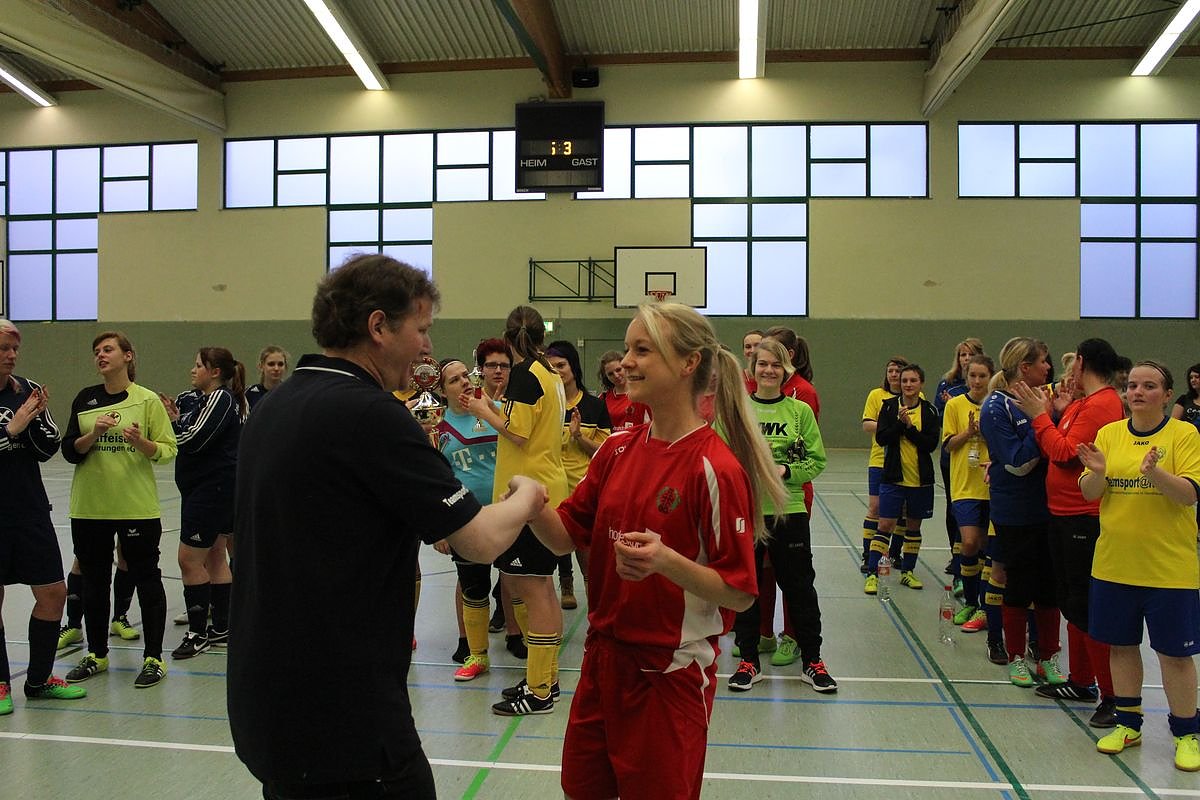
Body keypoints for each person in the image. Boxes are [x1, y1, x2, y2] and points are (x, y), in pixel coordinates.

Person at [227, 255, 546, 800]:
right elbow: (480, 540)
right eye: (420, 329)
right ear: (379, 326)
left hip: (266, 707)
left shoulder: (274, 407)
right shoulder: (371, 415)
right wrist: (527, 497)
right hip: (346, 720)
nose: (427, 346)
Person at [527, 302, 787, 800]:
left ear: (688, 363)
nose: (626, 361)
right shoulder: (616, 449)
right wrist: (530, 504)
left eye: (642, 350)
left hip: (669, 675)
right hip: (602, 661)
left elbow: (739, 593)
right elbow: (564, 537)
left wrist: (665, 562)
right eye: (628, 349)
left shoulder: (714, 467)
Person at [1078, 361, 1200, 772]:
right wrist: (1098, 473)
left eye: (1149, 386)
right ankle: (1128, 724)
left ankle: (1186, 733)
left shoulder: (1184, 435)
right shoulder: (1109, 434)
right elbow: (1091, 492)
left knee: (1175, 655)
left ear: (1166, 395)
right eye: (1132, 386)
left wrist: (1156, 474)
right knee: (1121, 646)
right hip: (1114, 565)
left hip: (1169, 569)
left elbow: (1188, 495)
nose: (1138, 392)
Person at [1012, 338, 1125, 727]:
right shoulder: (1080, 404)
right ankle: (1081, 680)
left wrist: (1039, 417)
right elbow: (1057, 443)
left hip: (1083, 517)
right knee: (1072, 603)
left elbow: (1063, 453)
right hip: (1062, 514)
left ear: (1081, 362)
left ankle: (1112, 695)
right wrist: (1055, 414)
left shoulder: (1102, 404)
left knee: (1086, 605)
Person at [463, 305, 568, 716]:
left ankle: (540, 689)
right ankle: (546, 679)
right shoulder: (549, 373)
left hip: (529, 494)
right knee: (536, 586)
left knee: (534, 589)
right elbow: (526, 424)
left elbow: (520, 434)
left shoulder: (526, 375)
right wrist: (493, 406)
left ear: (508, 339)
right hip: (542, 487)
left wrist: (481, 412)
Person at [61, 332, 177, 689]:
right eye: (96, 351)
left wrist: (142, 443)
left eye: (108, 349)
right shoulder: (85, 399)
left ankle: (154, 658)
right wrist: (93, 434)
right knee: (94, 582)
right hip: (90, 508)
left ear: (128, 356)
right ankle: (97, 654)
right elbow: (70, 450)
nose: (101, 355)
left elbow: (168, 450)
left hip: (135, 508)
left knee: (147, 578)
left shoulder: (147, 401)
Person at [727, 338, 835, 694]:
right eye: (763, 364)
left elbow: (816, 461)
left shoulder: (799, 411)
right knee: (746, 587)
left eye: (776, 365)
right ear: (752, 369)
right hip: (748, 512)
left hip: (789, 511)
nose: (769, 370)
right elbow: (717, 456)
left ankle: (813, 661)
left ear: (786, 370)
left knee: (800, 587)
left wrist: (786, 471)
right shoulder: (737, 411)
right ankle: (748, 661)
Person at [0, 319, 88, 714]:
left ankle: (38, 680)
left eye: (15, 349)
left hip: (29, 510)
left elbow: (48, 446)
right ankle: (0, 685)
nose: (12, 356)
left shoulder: (27, 389)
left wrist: (31, 421)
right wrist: (11, 430)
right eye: (4, 348)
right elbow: (12, 433)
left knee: (53, 594)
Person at [979, 336, 1064, 689]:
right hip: (1015, 509)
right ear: (1025, 368)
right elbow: (1017, 464)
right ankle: (1016, 656)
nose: (1049, 367)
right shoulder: (995, 407)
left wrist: (1053, 414)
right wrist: (1042, 419)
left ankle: (1047, 656)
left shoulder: (1045, 400)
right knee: (1018, 582)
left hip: (1050, 506)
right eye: (1043, 361)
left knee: (1049, 585)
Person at [159, 347, 245, 660]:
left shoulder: (221, 398)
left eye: (199, 365)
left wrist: (173, 423)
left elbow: (191, 439)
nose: (193, 370)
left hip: (213, 489)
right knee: (215, 556)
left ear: (215, 372)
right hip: (203, 488)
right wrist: (176, 417)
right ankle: (222, 627)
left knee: (189, 560)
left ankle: (197, 634)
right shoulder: (195, 398)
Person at [432, 356, 500, 679]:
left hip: (504, 512)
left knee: (518, 582)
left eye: (466, 375)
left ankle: (523, 641)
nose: (464, 382)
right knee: (473, 585)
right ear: (442, 391)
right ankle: (475, 653)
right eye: (455, 380)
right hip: (466, 519)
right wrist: (440, 529)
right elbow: (435, 480)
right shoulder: (438, 427)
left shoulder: (492, 410)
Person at [546, 340, 612, 610]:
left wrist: (578, 436)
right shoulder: (545, 406)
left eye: (561, 365)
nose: (557, 371)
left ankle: (597, 610)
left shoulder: (595, 406)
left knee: (590, 560)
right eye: (551, 367)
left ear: (573, 366)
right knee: (554, 547)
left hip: (584, 494)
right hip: (552, 491)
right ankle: (566, 584)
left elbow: (605, 452)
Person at [865, 364, 940, 592]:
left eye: (913, 380)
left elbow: (930, 444)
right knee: (885, 524)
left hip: (920, 480)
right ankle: (872, 573)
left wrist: (909, 428)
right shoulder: (889, 407)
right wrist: (899, 423)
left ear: (921, 384)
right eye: (904, 380)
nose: (908, 384)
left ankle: (908, 571)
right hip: (893, 479)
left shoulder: (930, 411)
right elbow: (882, 438)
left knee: (913, 526)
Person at [942, 355, 994, 633]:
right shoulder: (955, 405)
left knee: (988, 547)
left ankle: (985, 606)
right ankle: (971, 601)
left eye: (982, 376)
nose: (976, 381)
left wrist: (985, 433)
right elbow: (949, 445)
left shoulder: (996, 404)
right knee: (970, 542)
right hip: (964, 485)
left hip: (991, 486)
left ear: (991, 377)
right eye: (972, 375)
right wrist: (968, 432)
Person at [934, 338, 985, 582]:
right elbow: (938, 418)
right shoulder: (949, 387)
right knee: (956, 509)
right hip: (956, 461)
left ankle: (973, 564)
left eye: (971, 354)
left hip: (983, 467)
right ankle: (957, 559)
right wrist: (948, 409)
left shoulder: (992, 396)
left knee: (981, 525)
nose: (966, 359)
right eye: (963, 355)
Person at [860, 357, 907, 574]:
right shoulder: (876, 395)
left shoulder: (914, 397)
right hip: (880, 461)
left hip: (905, 461)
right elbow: (867, 424)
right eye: (891, 370)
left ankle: (895, 553)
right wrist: (892, 425)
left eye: (898, 370)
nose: (894, 374)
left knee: (902, 510)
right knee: (875, 507)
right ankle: (868, 553)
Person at [598, 349, 650, 431]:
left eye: (618, 370)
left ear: (625, 368)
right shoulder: (602, 398)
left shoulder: (641, 395)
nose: (616, 375)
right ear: (606, 377)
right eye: (610, 374)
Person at [245, 345, 289, 411]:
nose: (276, 368)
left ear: (285, 367)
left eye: (280, 364)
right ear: (261, 366)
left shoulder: (291, 394)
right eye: (271, 364)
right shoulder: (249, 393)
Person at [1171, 363, 1200, 430]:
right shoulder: (1184, 399)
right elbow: (1173, 423)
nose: (1193, 380)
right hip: (1186, 435)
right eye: (1191, 377)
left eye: (1197, 377)